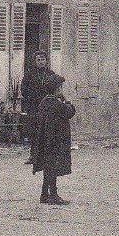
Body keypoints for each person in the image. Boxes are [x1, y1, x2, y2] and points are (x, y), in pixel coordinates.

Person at [32, 74, 75, 205]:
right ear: (57, 89)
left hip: (45, 141)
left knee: (48, 167)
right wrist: (67, 101)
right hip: (56, 141)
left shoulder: (43, 103)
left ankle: (44, 194)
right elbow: (70, 112)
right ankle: (54, 195)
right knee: (53, 167)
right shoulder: (58, 105)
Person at [21, 51, 58, 164]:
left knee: (47, 131)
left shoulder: (51, 74)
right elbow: (23, 90)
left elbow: (55, 90)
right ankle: (33, 156)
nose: (41, 61)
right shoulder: (29, 75)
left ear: (46, 61)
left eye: (43, 59)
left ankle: (46, 157)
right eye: (38, 60)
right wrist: (32, 97)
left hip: (47, 107)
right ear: (35, 62)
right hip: (34, 107)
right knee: (34, 131)